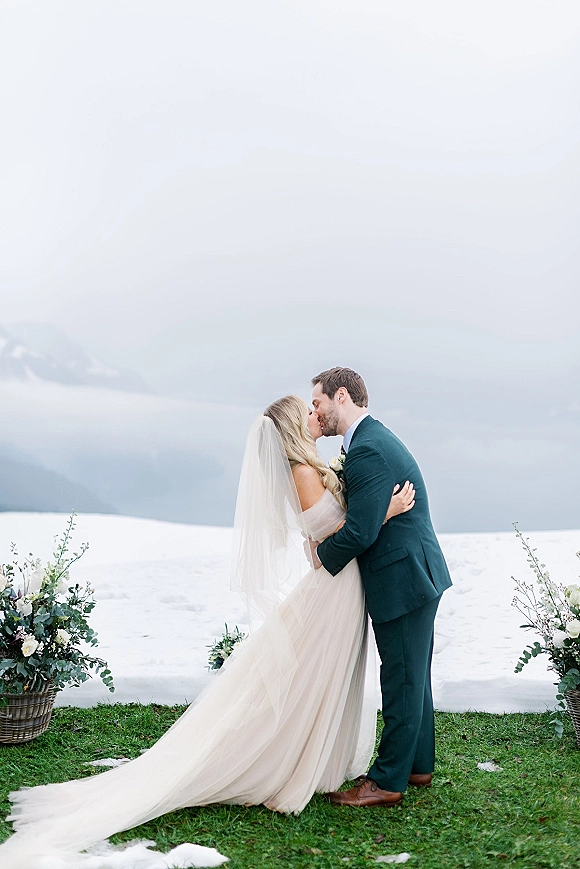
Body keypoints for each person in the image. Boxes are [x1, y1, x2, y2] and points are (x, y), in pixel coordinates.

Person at [0, 395, 414, 869]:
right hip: (334, 591)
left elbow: (326, 537)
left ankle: (312, 755)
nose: (314, 416)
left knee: (320, 676)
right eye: (307, 412)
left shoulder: (308, 467)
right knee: (310, 677)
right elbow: (347, 531)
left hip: (338, 583)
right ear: (292, 427)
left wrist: (323, 543)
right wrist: (387, 510)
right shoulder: (301, 472)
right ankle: (280, 762)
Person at [310, 367, 453, 808]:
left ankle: (387, 781)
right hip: (412, 572)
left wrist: (320, 555)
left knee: (401, 679)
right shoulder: (371, 441)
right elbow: (370, 518)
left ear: (341, 397)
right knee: (413, 677)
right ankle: (417, 767)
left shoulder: (368, 449)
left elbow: (359, 531)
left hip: (403, 577)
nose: (315, 411)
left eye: (317, 403)